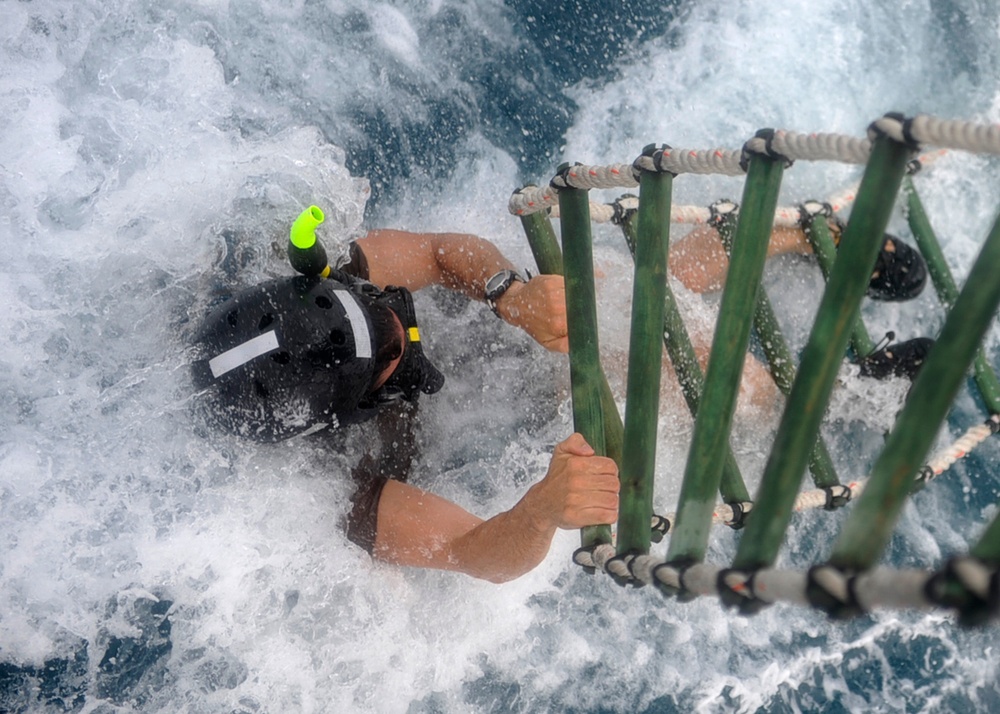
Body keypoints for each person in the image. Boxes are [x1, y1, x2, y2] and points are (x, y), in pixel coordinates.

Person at [193, 227, 620, 584]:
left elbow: (437, 252)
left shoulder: (321, 291)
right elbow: (473, 550)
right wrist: (543, 509)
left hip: (480, 338)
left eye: (376, 305)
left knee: (608, 286)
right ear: (351, 409)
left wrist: (512, 296)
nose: (402, 326)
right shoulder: (336, 490)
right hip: (488, 430)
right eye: (392, 358)